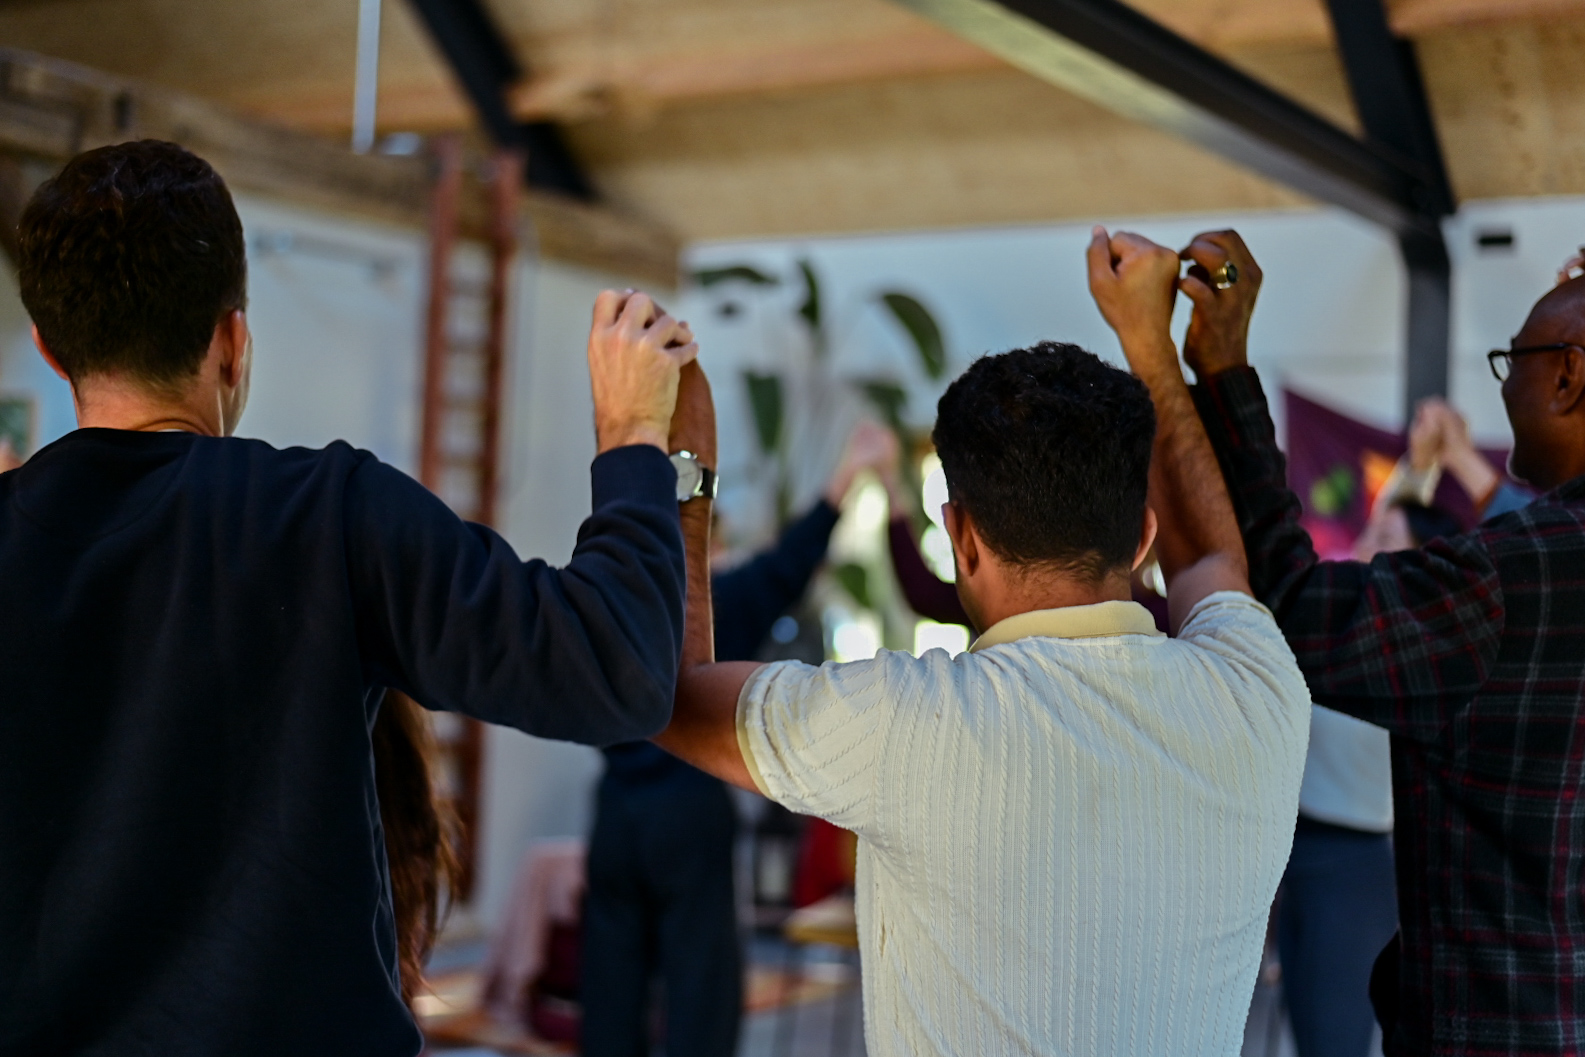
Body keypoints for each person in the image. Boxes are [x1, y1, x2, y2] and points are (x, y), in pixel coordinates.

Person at [0, 140, 700, 1057]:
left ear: (51, 350)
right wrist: (634, 433)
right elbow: (616, 670)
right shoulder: (327, 513)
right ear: (232, 342)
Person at [650, 228, 1314, 1056]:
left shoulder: (901, 725)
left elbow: (667, 690)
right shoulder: (1259, 689)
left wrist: (682, 468)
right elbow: (1213, 557)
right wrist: (1149, 340)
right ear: (1141, 534)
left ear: (960, 537)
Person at [1155, 225, 1585, 1055]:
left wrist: (1219, 363)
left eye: (1514, 361)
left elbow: (1288, 606)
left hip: (1491, 1029)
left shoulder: (1511, 578)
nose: (1504, 388)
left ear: (1567, 375)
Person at [580, 421, 895, 1057]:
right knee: (702, 989)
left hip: (614, 815)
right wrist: (845, 477)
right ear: (704, 543)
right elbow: (786, 567)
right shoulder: (710, 605)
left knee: (611, 988)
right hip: (687, 813)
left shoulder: (610, 603)